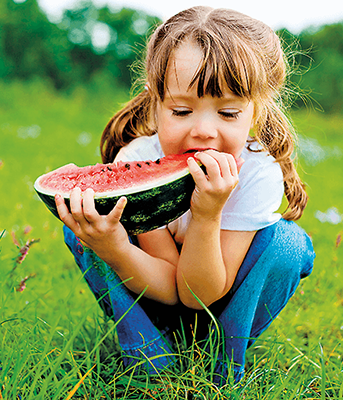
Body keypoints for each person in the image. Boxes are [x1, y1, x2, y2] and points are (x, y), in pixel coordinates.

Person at [55, 6, 315, 382]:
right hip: (150, 293)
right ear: (155, 103)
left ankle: (220, 367)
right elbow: (170, 287)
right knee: (84, 226)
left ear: (255, 112)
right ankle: (150, 363)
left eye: (227, 113)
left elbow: (198, 296)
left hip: (223, 303)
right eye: (181, 111)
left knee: (290, 244)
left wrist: (208, 214)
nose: (204, 131)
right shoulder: (139, 159)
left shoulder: (257, 174)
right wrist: (114, 247)